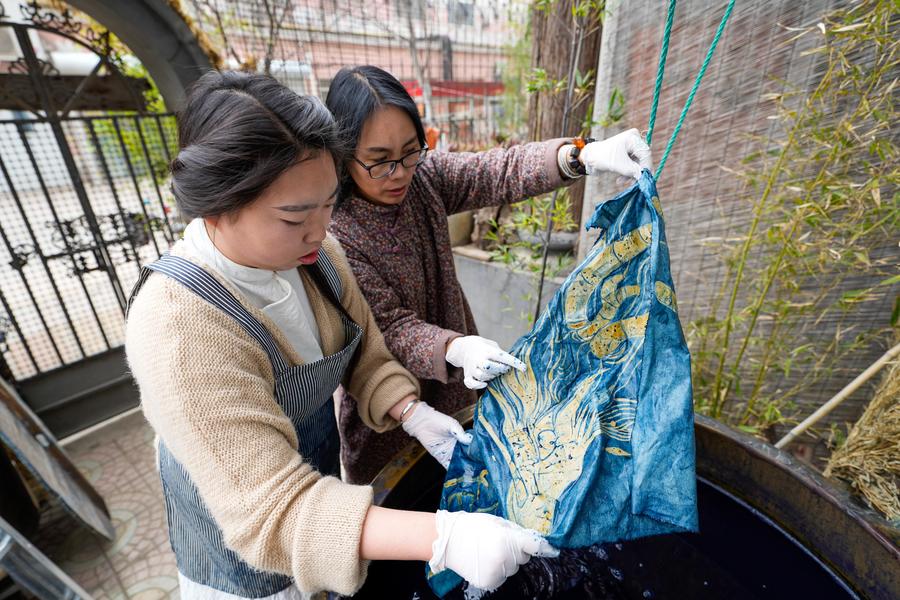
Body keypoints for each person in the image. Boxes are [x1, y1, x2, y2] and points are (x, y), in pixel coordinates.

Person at [125, 70, 556, 600]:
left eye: (329, 204)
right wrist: (445, 537)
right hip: (243, 534)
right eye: (294, 216)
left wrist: (410, 411)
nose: (320, 228)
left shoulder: (319, 257)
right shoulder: (178, 328)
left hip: (317, 482)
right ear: (218, 204)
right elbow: (276, 513)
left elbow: (366, 355)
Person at [326, 65, 653, 484]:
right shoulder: (336, 232)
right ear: (342, 155)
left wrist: (579, 156)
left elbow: (498, 171)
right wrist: (456, 347)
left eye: (410, 151)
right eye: (379, 161)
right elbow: (389, 327)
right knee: (407, 514)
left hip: (455, 395)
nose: (400, 171)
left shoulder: (424, 181)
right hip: (386, 423)